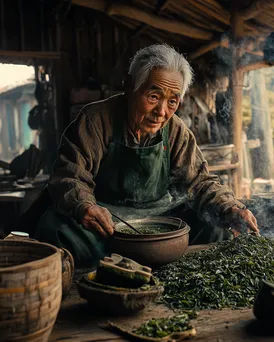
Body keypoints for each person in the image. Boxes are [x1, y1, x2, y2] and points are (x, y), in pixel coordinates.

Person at [35, 44, 258, 267]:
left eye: (172, 101)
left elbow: (201, 183)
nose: (161, 112)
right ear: (130, 86)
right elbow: (70, 176)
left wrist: (231, 207)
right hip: (107, 221)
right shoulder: (95, 120)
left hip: (161, 216)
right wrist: (85, 206)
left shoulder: (177, 131)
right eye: (153, 96)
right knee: (56, 231)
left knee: (215, 228)